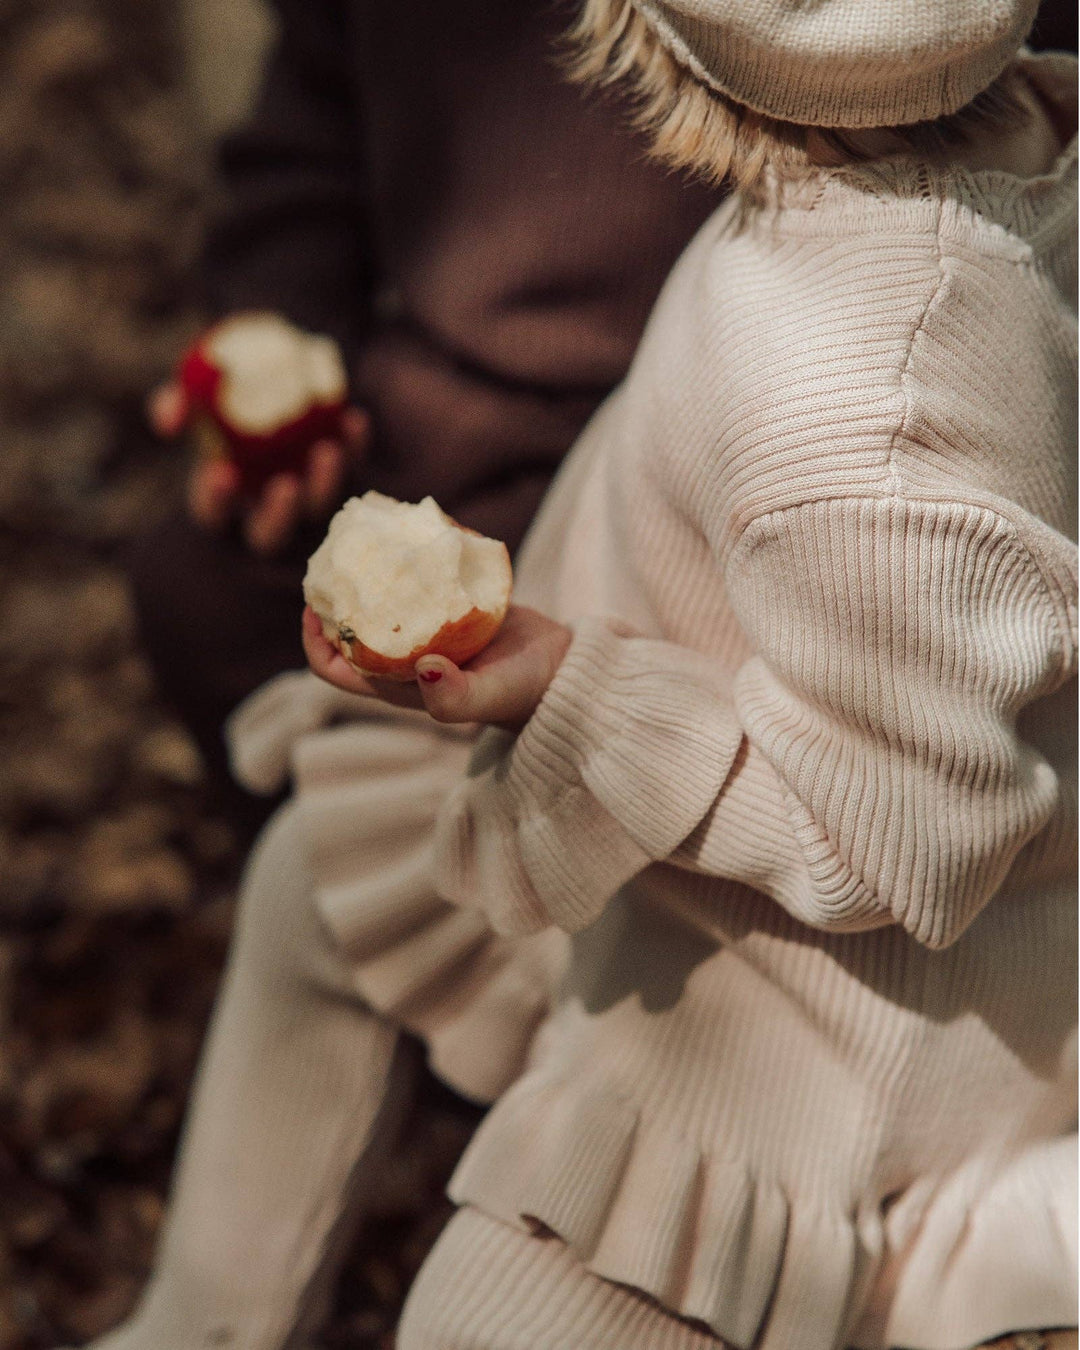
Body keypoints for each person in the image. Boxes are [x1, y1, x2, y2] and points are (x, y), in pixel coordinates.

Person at [293, 1, 1076, 1346]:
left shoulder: (861, 399)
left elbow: (903, 845)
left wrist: (573, 694)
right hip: (701, 881)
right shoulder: (1009, 138)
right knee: (302, 894)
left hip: (802, 1060)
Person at [89, 2, 723, 1347]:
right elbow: (297, 159)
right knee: (205, 608)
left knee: (380, 853)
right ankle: (449, 1036)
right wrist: (275, 346)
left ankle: (527, 1032)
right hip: (430, 447)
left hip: (672, 486)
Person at [130, 0, 721, 826]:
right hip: (429, 419)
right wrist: (277, 321)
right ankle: (368, 906)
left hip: (674, 440)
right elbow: (304, 144)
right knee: (199, 598)